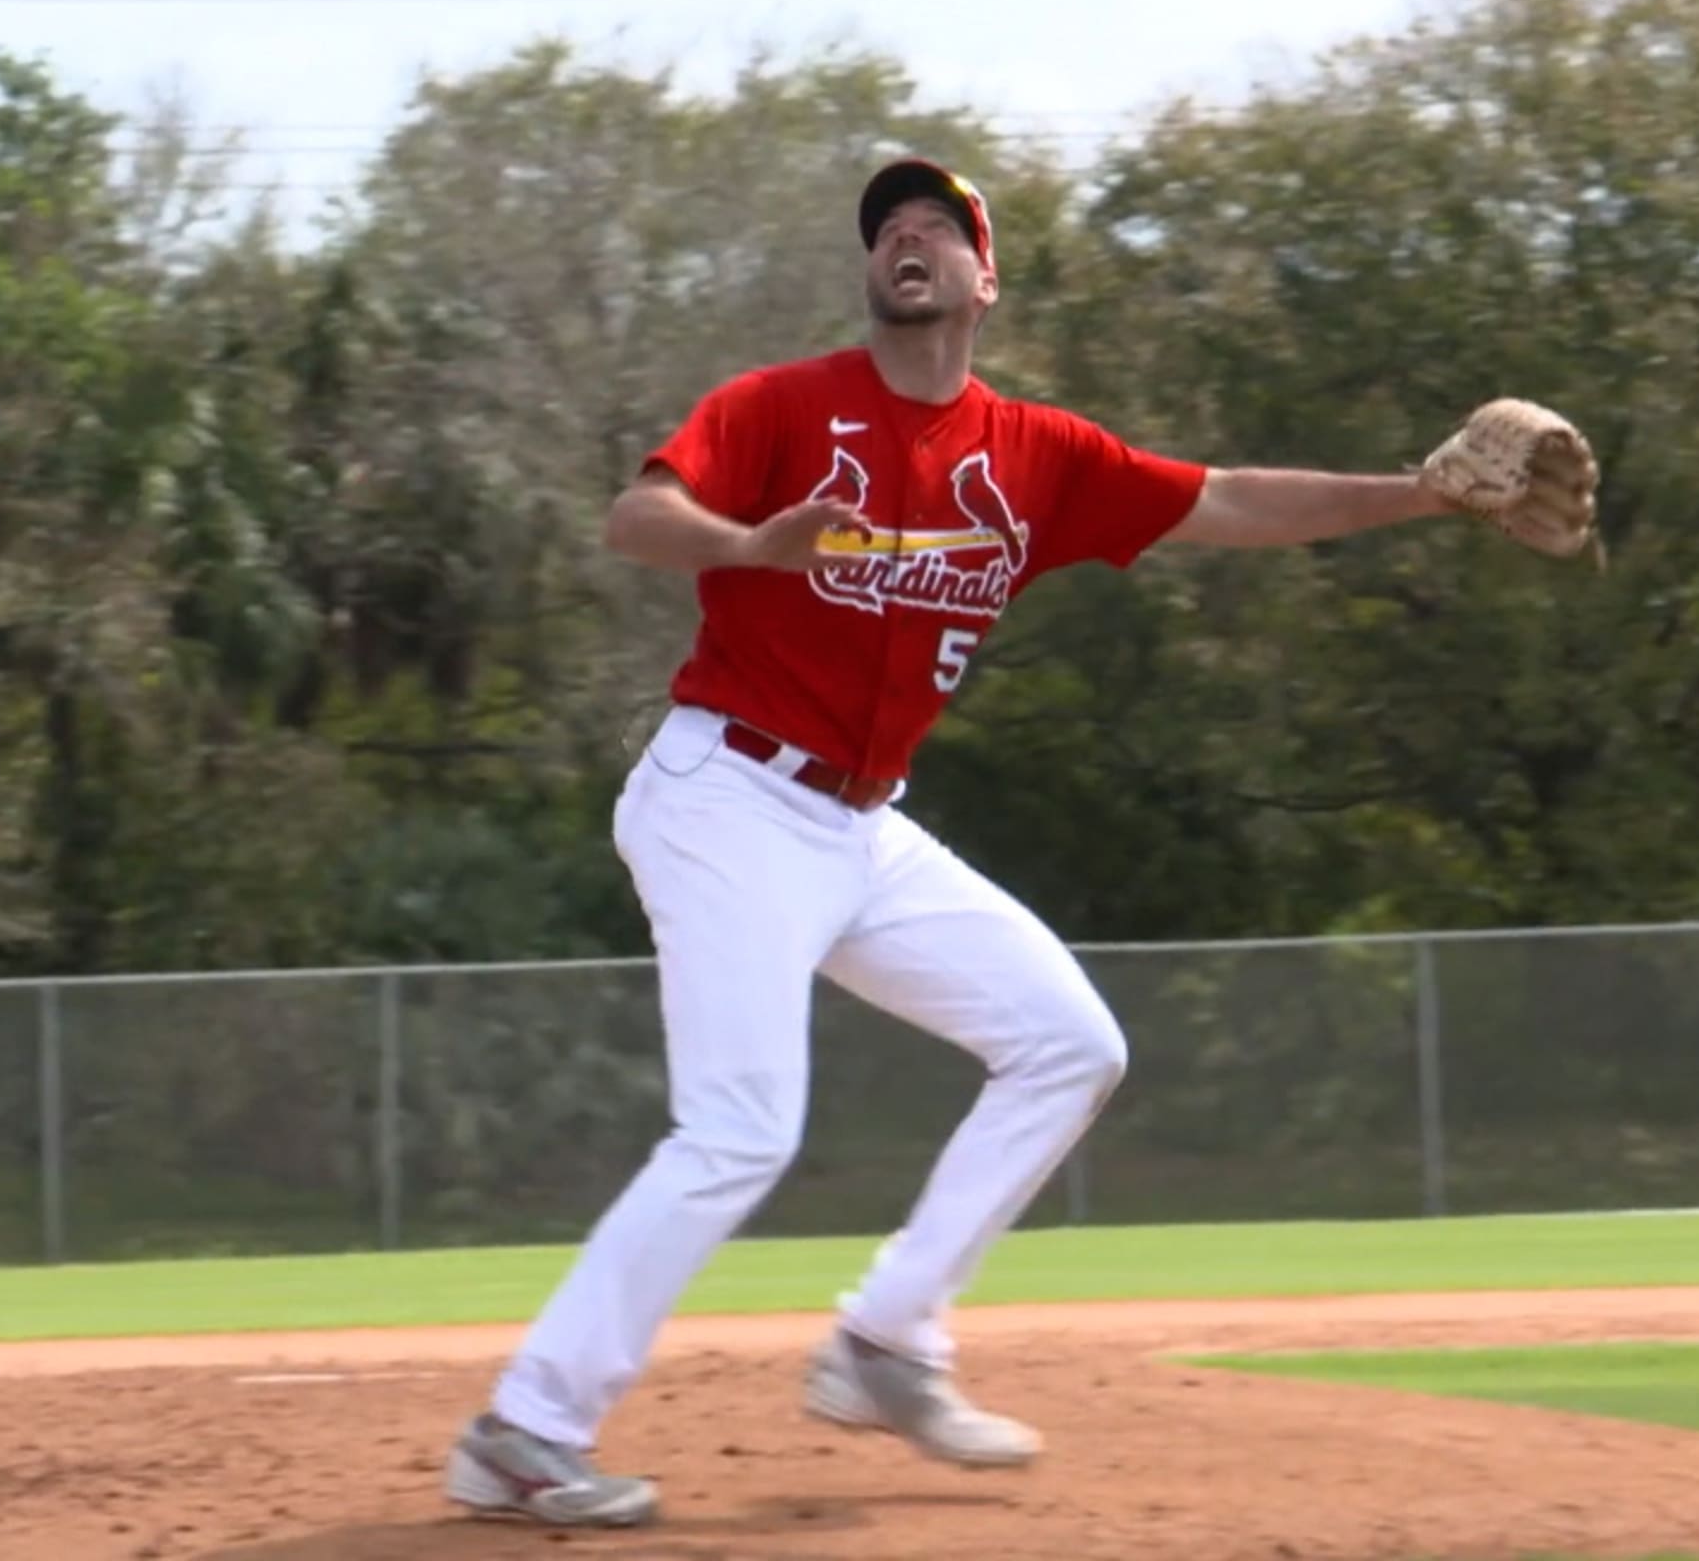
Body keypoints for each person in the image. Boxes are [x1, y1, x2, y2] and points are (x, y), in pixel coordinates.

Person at [442, 157, 1556, 1529]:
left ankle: (888, 1342)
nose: (906, 239)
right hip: (726, 793)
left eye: (937, 227)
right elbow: (636, 518)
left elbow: (1229, 501)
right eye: (886, 230)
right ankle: (523, 1433)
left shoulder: (1037, 454)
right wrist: (751, 546)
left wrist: (1431, 495)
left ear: (985, 278)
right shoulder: (783, 408)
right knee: (739, 1126)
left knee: (1071, 1044)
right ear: (873, 276)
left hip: (862, 826)